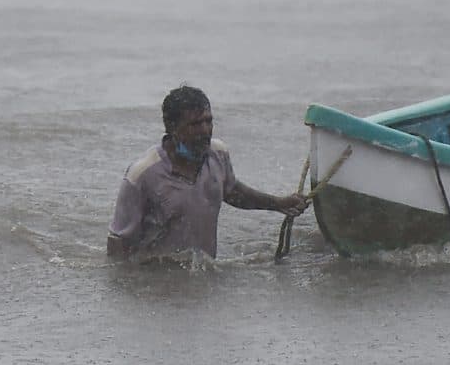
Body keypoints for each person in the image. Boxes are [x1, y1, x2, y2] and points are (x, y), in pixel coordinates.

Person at [107, 85, 307, 261]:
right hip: (157, 283)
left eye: (208, 121)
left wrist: (279, 204)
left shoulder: (217, 155)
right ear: (172, 127)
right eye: (195, 124)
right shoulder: (142, 175)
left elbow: (232, 192)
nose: (205, 130)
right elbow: (118, 245)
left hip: (203, 272)